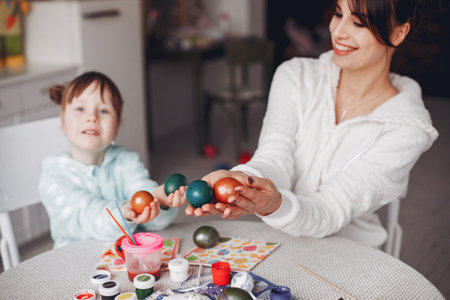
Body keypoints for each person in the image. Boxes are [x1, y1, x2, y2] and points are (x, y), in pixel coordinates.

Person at [186, 0, 439, 248]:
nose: (338, 32)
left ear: (398, 33)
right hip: (277, 238)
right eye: (338, 14)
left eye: (359, 23)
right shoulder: (294, 76)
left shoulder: (408, 129)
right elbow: (274, 158)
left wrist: (275, 204)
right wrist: (243, 180)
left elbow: (331, 209)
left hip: (349, 251)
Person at [39, 71, 186, 248]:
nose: (92, 117)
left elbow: (148, 210)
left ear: (116, 126)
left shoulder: (127, 161)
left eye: (104, 110)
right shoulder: (54, 176)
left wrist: (159, 203)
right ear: (62, 122)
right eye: (80, 109)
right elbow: (88, 216)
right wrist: (124, 213)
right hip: (76, 260)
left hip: (126, 260)